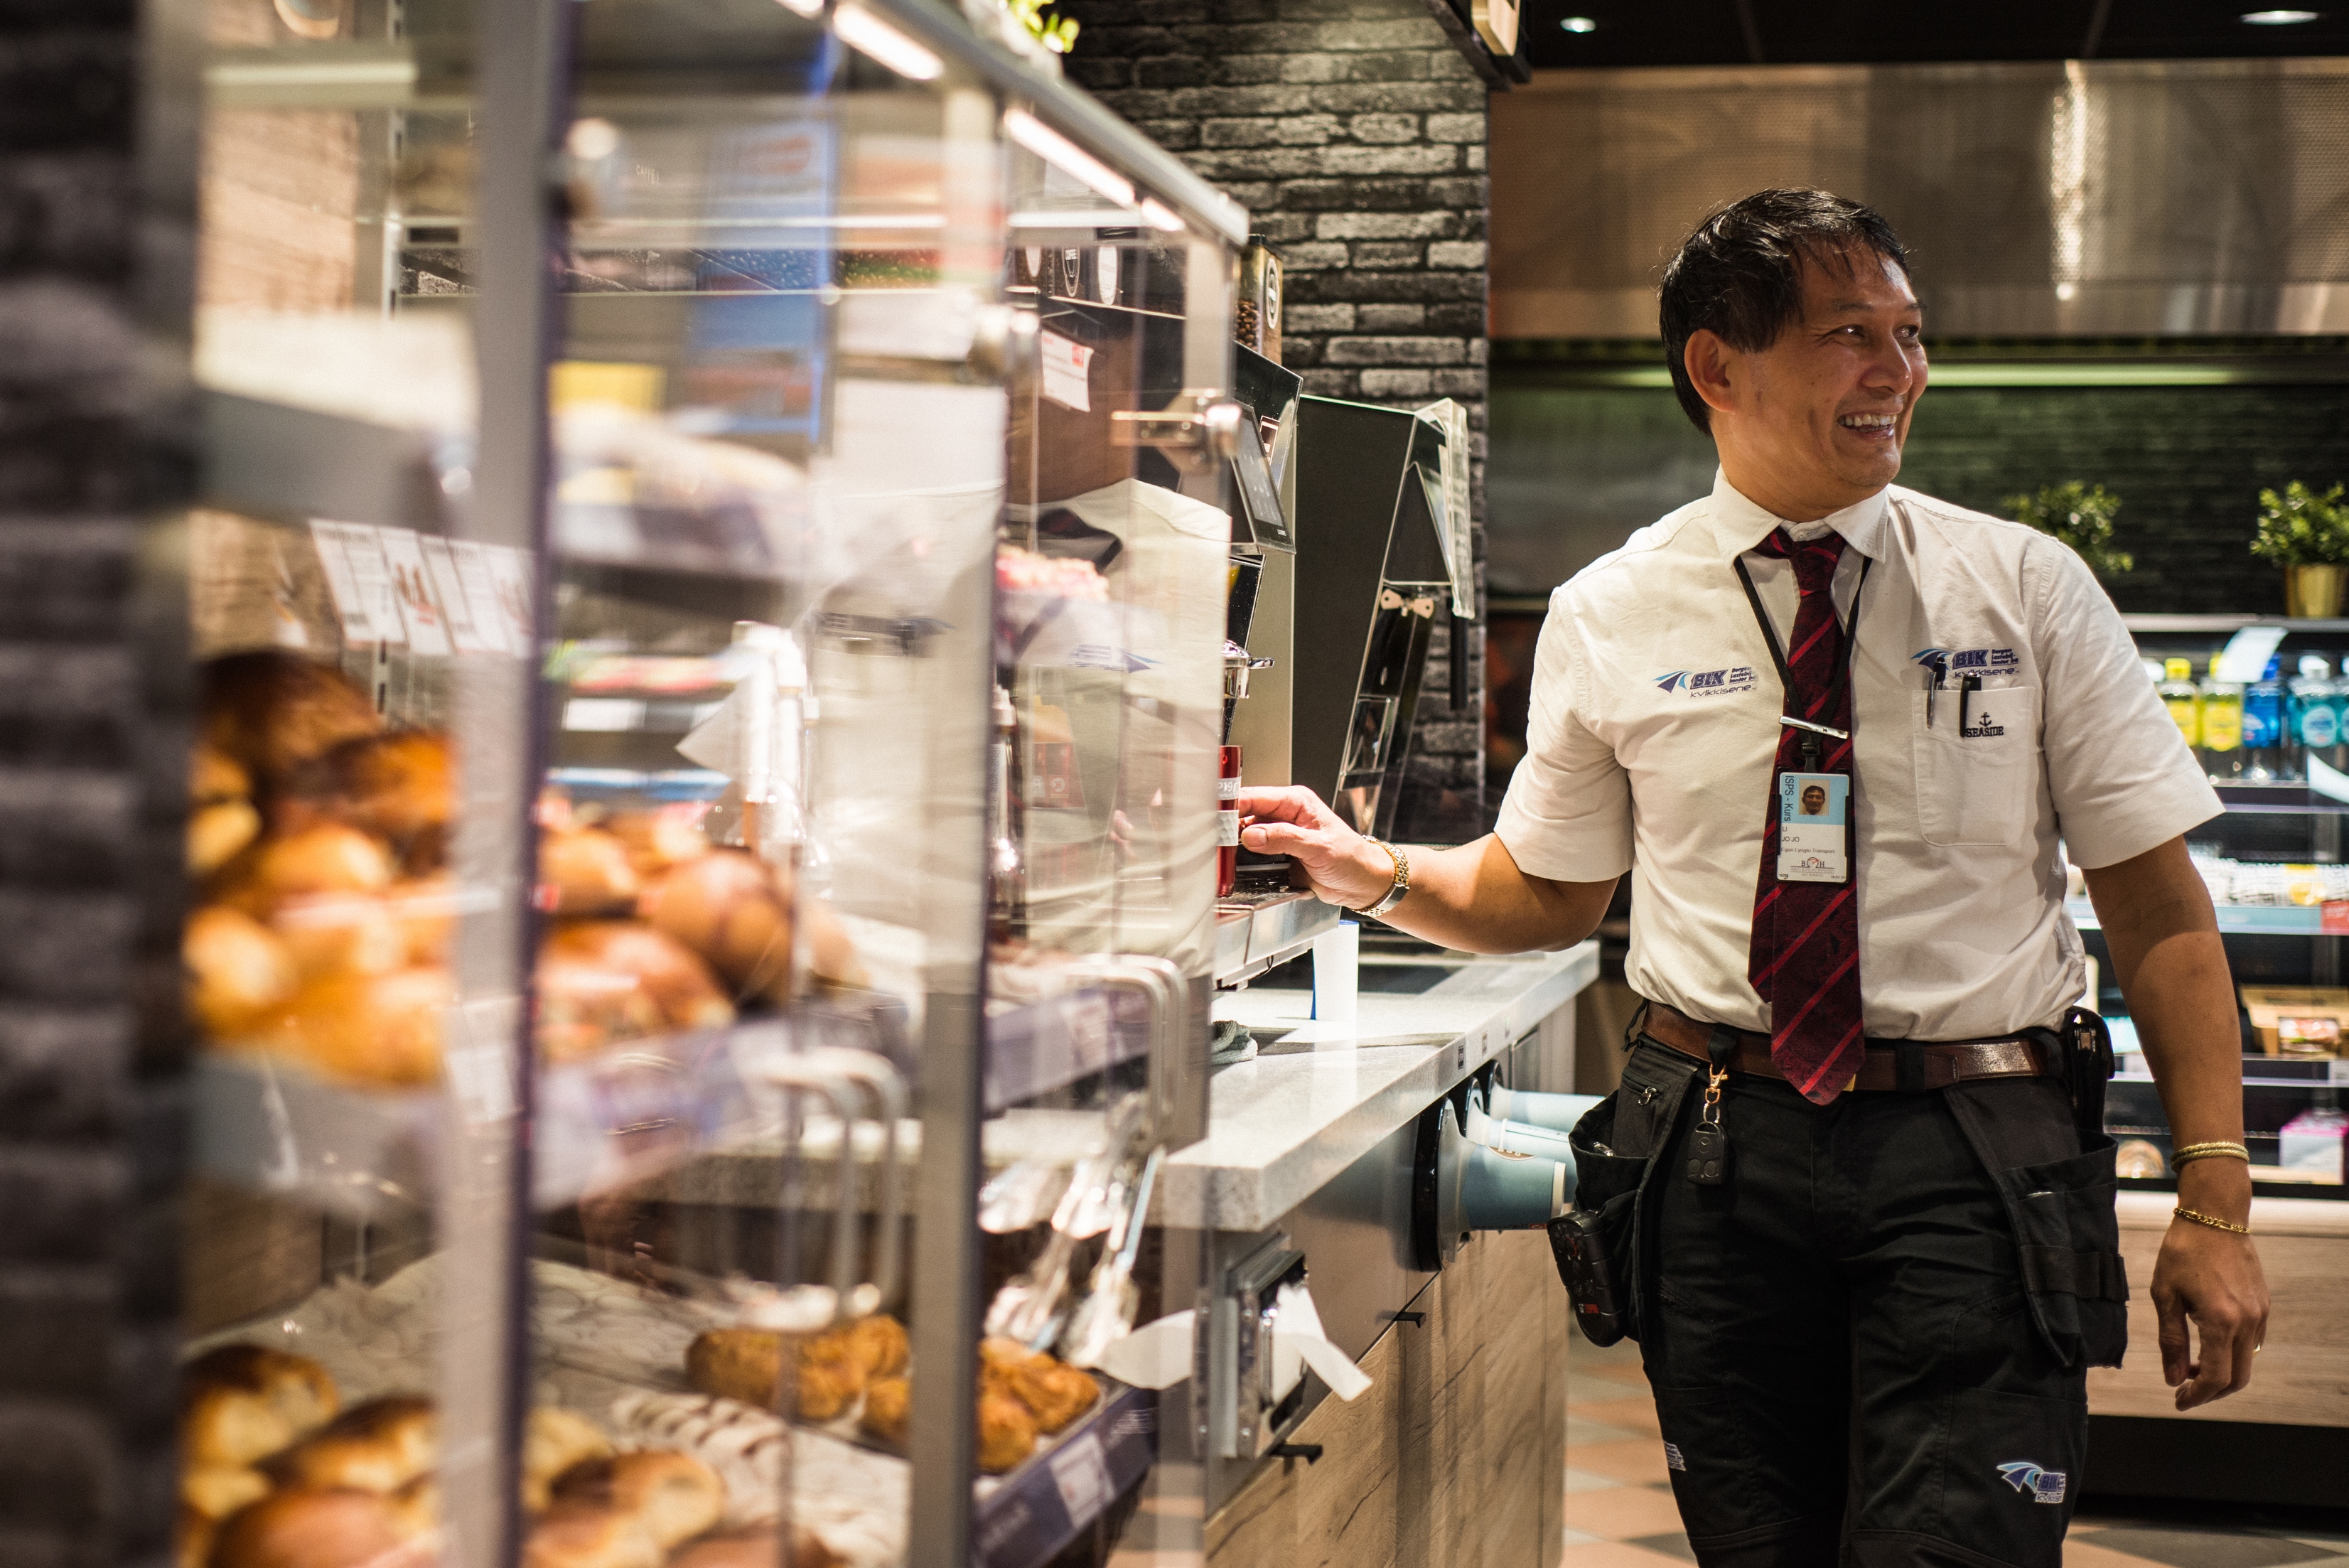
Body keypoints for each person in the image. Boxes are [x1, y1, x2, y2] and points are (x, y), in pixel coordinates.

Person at [1237, 188, 2268, 1568]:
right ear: (1717, 367)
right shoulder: (1612, 609)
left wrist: (2212, 1197)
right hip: (1717, 1157)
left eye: (1909, 334)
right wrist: (1364, 868)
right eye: (1851, 334)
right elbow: (1546, 892)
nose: (1898, 370)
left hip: (1978, 1155)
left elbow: (2155, 907)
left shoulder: (2025, 588)